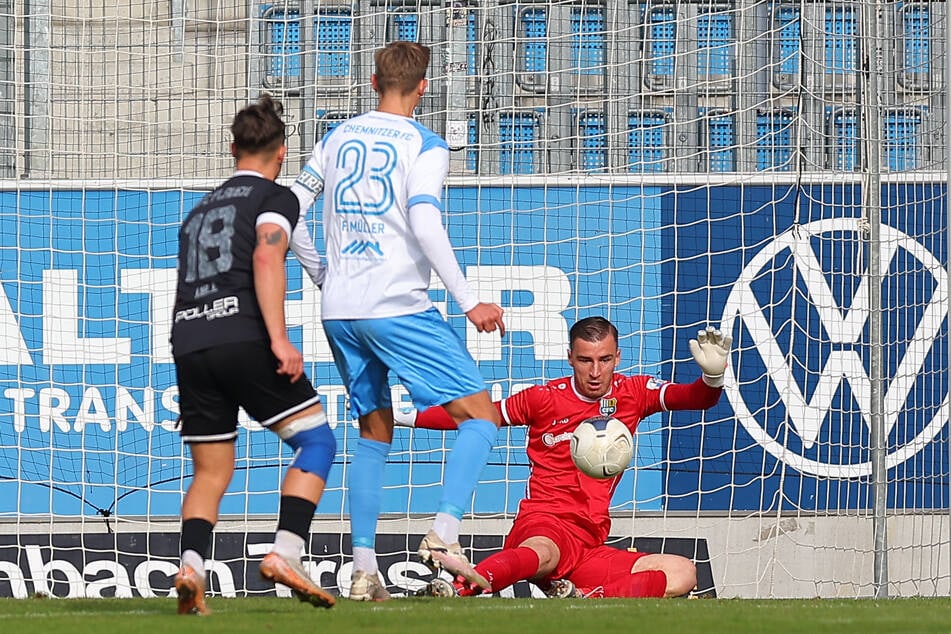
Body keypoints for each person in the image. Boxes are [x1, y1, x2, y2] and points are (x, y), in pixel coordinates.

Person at [288, 41, 506, 602]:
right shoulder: (425, 145)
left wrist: (321, 273)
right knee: (481, 418)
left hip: (340, 309)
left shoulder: (335, 137)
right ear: (424, 88)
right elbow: (425, 223)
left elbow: (289, 207)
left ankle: (363, 570)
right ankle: (443, 537)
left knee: (373, 433)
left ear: (371, 80)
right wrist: (467, 301)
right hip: (398, 306)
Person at [396, 316, 732, 599]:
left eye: (604, 360)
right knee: (544, 550)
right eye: (586, 360)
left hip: (588, 541)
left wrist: (712, 377)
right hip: (543, 524)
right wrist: (400, 415)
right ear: (570, 357)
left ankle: (583, 598)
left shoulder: (633, 393)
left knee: (683, 572)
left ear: (618, 358)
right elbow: (477, 416)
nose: (596, 371)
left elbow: (694, 398)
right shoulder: (543, 398)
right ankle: (457, 588)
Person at [170, 94, 337, 615]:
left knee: (211, 472)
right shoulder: (277, 197)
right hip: (243, 335)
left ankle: (191, 567)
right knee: (316, 443)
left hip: (190, 341)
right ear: (282, 153)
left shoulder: (200, 210)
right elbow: (267, 254)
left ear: (232, 147)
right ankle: (285, 552)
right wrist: (280, 339)